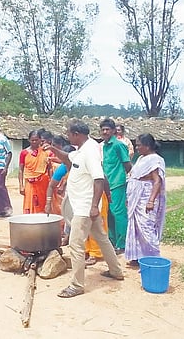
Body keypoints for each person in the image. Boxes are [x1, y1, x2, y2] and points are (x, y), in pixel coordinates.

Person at [45, 119, 123, 298]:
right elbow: (68, 159)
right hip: (85, 206)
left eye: (68, 133)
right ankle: (116, 271)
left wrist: (94, 206)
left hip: (85, 208)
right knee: (102, 239)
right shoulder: (82, 150)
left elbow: (99, 179)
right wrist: (53, 150)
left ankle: (77, 285)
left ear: (76, 134)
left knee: (75, 244)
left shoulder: (90, 152)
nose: (67, 136)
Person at [125, 133, 166, 266]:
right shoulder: (142, 158)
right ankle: (138, 256)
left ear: (147, 146)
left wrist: (151, 201)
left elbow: (157, 181)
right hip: (135, 197)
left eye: (139, 145)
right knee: (136, 226)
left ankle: (154, 257)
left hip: (146, 196)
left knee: (146, 227)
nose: (137, 148)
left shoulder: (155, 159)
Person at [100, 118, 132, 254]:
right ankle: (112, 242)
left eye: (107, 129)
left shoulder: (118, 145)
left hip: (117, 183)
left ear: (113, 131)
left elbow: (127, 164)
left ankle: (122, 244)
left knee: (118, 214)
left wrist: (126, 180)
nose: (105, 132)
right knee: (108, 214)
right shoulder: (103, 146)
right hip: (106, 184)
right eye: (103, 130)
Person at [18, 130, 51, 214]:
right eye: (32, 140)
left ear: (40, 140)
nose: (34, 142)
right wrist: (21, 186)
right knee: (29, 203)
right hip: (29, 182)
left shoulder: (46, 152)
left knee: (42, 202)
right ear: (29, 140)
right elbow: (21, 169)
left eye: (36, 140)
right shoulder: (24, 153)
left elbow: (49, 168)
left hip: (43, 182)